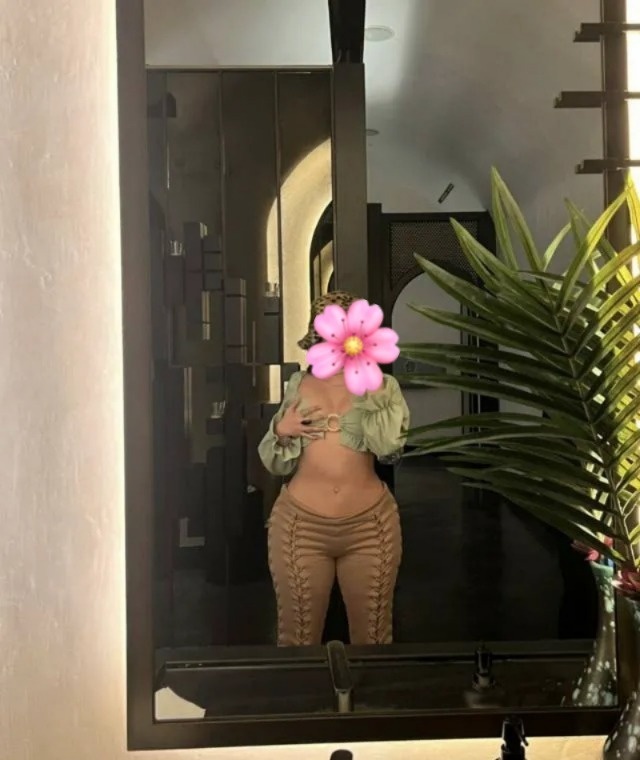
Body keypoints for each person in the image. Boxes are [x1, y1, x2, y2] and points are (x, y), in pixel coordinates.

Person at [258, 291, 410, 647]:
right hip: (299, 527)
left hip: (371, 527)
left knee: (374, 639)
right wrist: (282, 430)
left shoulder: (383, 387)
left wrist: (372, 392)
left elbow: (390, 448)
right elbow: (275, 460)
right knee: (297, 639)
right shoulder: (298, 385)